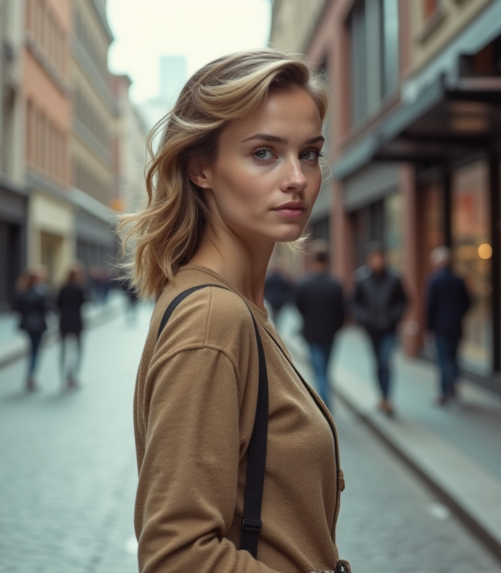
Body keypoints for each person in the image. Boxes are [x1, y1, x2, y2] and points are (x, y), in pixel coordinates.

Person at [117, 50, 349, 573]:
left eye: (309, 153)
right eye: (264, 153)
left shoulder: (239, 307)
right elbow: (178, 557)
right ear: (202, 168)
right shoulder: (213, 319)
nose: (297, 178)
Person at [352, 242, 408, 417]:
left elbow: (404, 300)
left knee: (385, 361)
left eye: (379, 257)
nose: (376, 261)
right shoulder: (361, 278)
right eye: (373, 258)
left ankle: (387, 398)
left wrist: (394, 316)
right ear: (368, 260)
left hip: (389, 329)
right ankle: (382, 397)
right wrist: (363, 317)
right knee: (378, 363)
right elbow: (353, 302)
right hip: (371, 329)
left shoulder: (394, 278)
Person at [294, 241, 345, 409]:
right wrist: (336, 327)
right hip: (330, 334)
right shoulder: (336, 284)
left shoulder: (304, 284)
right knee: (325, 369)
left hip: (312, 334)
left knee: (319, 371)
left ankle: (324, 407)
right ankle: (325, 403)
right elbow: (343, 311)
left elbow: (298, 306)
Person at [425, 246, 472, 406]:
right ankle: (453, 386)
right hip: (456, 325)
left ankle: (445, 392)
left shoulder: (434, 280)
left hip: (440, 327)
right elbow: (468, 302)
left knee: (443, 359)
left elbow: (430, 305)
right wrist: (459, 315)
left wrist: (429, 326)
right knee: (454, 358)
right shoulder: (458, 280)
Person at [14, 267, 49, 392]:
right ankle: (31, 376)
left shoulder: (22, 291)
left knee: (32, 349)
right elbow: (46, 308)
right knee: (35, 351)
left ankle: (30, 375)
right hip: (38, 324)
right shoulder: (41, 292)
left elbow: (17, 309)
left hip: (27, 324)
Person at [56, 264, 87, 390]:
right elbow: (83, 302)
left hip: (64, 321)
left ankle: (63, 376)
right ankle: (73, 375)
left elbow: (57, 304)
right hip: (77, 321)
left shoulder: (62, 288)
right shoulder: (79, 289)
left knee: (63, 349)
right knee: (79, 350)